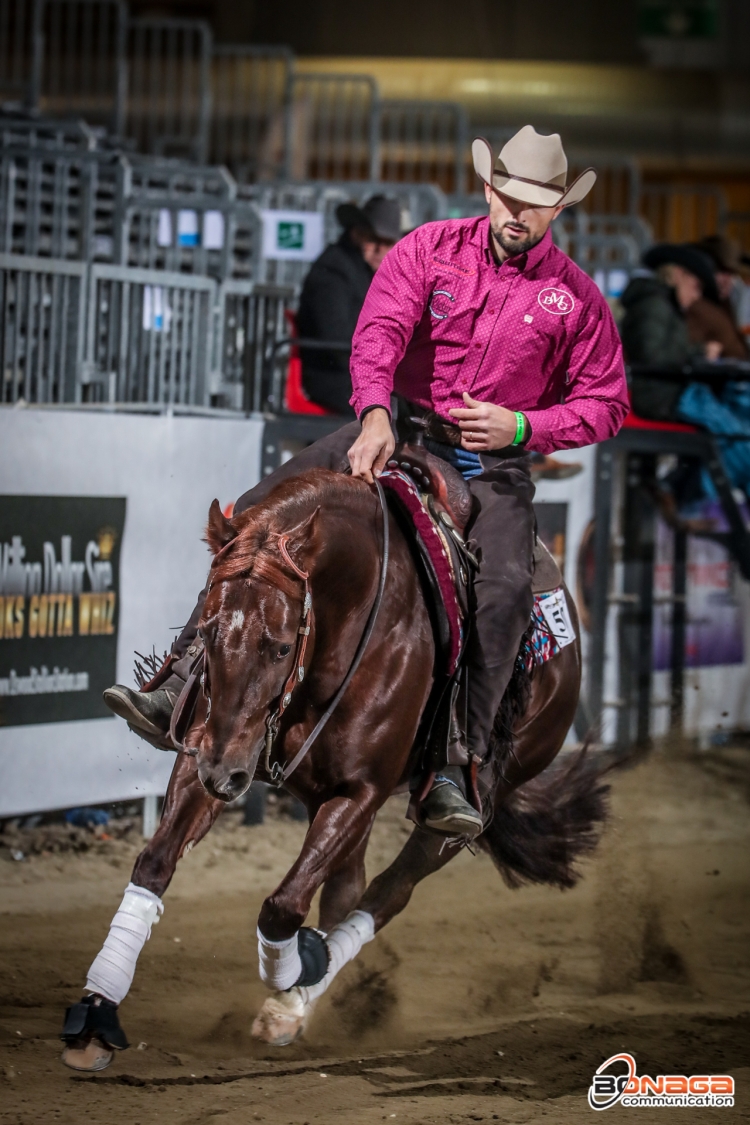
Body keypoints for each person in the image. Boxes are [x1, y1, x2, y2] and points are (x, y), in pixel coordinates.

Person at [104, 125, 628, 839]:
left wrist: (523, 429)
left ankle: (457, 764)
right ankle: (180, 678)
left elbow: (607, 401)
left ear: (558, 209)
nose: (517, 211)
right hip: (401, 427)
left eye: (535, 202)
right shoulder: (428, 250)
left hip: (491, 464)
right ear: (488, 189)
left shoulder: (577, 300)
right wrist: (375, 411)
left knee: (503, 590)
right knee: (256, 510)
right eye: (508, 195)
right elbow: (378, 333)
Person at [296, 195, 401, 415]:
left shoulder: (363, 271)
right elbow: (336, 338)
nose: (380, 250)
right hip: (335, 379)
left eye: (388, 243)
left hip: (356, 374)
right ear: (356, 233)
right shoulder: (334, 271)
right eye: (373, 239)